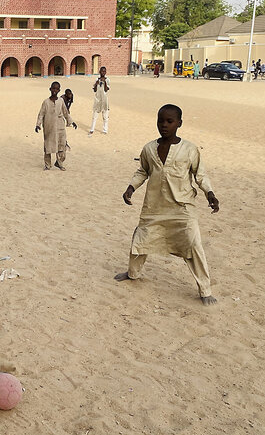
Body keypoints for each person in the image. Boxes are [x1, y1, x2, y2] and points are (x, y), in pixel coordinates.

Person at [117, 104, 219, 305]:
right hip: (154, 206)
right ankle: (132, 273)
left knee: (193, 244)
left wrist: (210, 193)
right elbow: (143, 171)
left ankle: (205, 290)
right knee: (141, 238)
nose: (164, 125)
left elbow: (200, 175)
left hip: (182, 208)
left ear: (179, 123)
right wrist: (131, 187)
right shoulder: (149, 149)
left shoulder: (189, 150)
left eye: (169, 121)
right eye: (160, 121)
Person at [36, 81, 77, 171]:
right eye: (53, 88)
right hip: (49, 127)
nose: (55, 90)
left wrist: (71, 121)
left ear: (59, 90)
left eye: (57, 89)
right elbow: (41, 114)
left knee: (62, 145)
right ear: (50, 89)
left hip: (60, 127)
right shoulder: (46, 102)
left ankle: (59, 162)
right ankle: (47, 165)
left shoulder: (61, 101)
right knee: (48, 146)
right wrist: (38, 125)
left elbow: (65, 112)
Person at [89, 66, 110, 136]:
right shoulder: (96, 79)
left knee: (105, 116)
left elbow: (106, 90)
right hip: (97, 100)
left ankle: (105, 130)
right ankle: (92, 129)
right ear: (99, 72)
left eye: (104, 71)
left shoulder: (108, 80)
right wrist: (96, 84)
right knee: (95, 115)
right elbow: (94, 90)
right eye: (102, 71)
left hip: (105, 100)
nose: (103, 73)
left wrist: (105, 82)